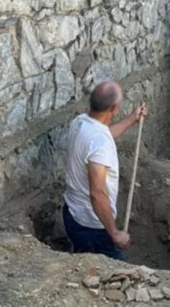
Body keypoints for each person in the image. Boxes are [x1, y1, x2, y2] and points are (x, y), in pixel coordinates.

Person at [62, 82, 147, 260]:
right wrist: (115, 233)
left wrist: (132, 119)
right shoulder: (99, 142)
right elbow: (98, 193)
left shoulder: (80, 122)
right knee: (116, 272)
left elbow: (102, 136)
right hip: (91, 226)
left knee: (83, 260)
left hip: (72, 213)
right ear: (114, 108)